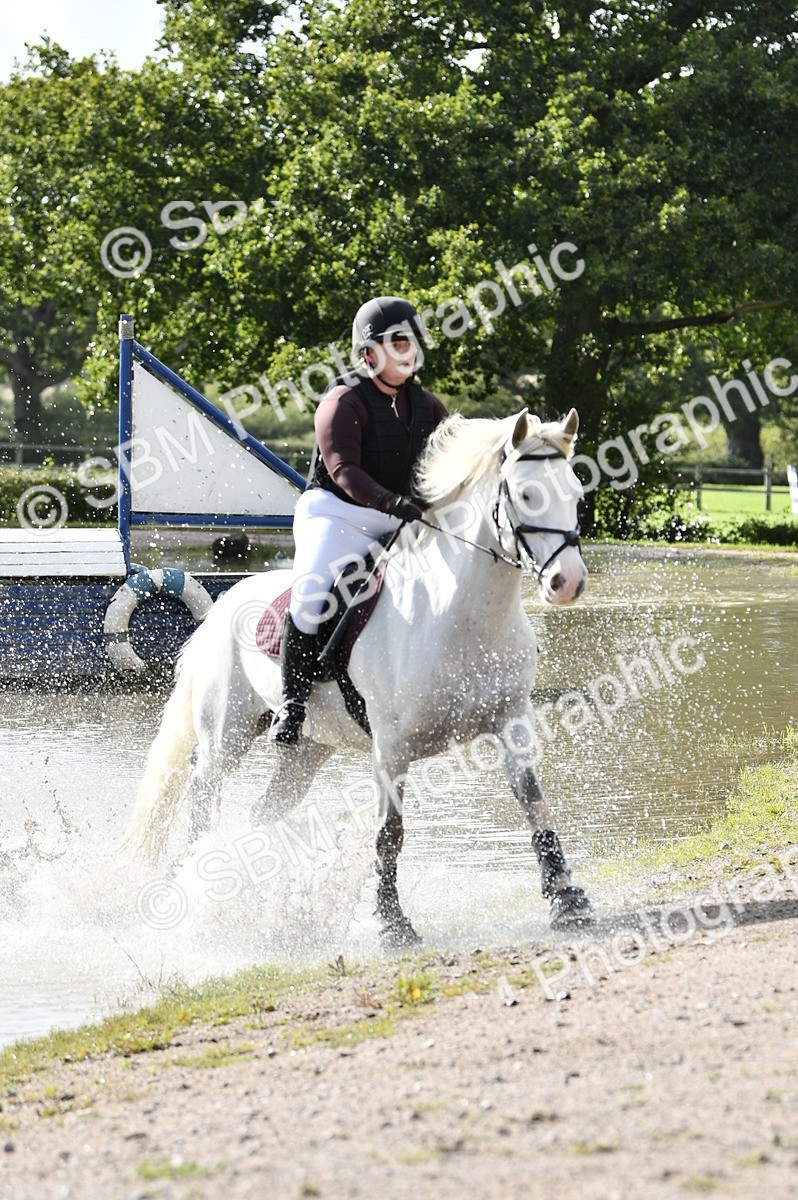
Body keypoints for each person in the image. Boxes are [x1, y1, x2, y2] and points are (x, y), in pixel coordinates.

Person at [269, 295, 449, 743]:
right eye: (399, 344)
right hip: (336, 516)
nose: (409, 353)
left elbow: (453, 459)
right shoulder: (343, 401)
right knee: (311, 594)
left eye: (412, 344)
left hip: (398, 518)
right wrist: (391, 501)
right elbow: (344, 471)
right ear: (369, 352)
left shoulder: (429, 407)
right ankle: (292, 703)